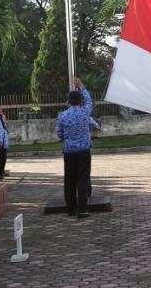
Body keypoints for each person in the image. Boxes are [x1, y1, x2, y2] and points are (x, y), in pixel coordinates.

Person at [56, 78, 94, 219]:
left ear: (68, 101)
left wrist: (67, 137)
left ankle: (70, 209)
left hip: (69, 151)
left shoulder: (63, 116)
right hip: (84, 149)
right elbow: (90, 101)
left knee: (69, 180)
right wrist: (82, 86)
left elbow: (59, 133)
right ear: (80, 101)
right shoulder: (85, 112)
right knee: (82, 180)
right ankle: (82, 209)